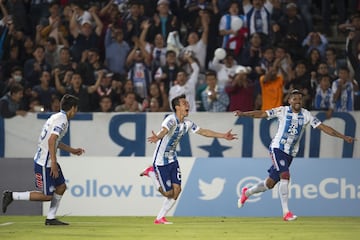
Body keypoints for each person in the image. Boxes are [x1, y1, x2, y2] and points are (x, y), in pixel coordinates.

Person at [233, 89, 356, 221]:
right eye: (294, 98)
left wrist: (343, 137)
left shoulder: (306, 115)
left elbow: (324, 128)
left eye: (299, 99)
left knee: (269, 184)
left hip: (290, 154)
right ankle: (286, 213)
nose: (297, 101)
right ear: (289, 100)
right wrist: (244, 114)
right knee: (285, 175)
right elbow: (262, 113)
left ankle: (247, 192)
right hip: (277, 148)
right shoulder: (282, 110)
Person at [140, 94, 237, 224]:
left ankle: (159, 218)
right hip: (160, 161)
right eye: (184, 103)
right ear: (177, 107)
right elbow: (164, 130)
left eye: (187, 103)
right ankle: (151, 172)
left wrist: (223, 136)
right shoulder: (171, 120)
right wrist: (158, 137)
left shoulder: (187, 124)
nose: (188, 105)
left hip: (172, 159)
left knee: (177, 191)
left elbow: (204, 132)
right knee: (168, 194)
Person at [2, 94, 85, 225]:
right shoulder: (62, 120)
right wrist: (53, 162)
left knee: (61, 187)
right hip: (44, 162)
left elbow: (54, 140)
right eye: (76, 108)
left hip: (47, 159)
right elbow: (52, 140)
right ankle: (12, 195)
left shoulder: (56, 117)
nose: (76, 111)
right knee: (47, 196)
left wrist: (72, 150)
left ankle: (50, 218)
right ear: (73, 108)